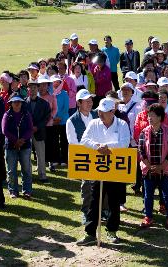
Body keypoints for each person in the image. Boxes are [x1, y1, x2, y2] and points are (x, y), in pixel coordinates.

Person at [77, 98, 130, 246]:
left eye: (104, 112)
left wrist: (107, 146)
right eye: (99, 111)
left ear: (112, 111)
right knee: (94, 200)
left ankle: (112, 231)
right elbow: (84, 140)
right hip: (97, 168)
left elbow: (124, 143)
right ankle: (90, 233)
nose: (100, 113)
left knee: (114, 201)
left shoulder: (122, 124)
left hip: (115, 170)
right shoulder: (94, 123)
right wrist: (97, 146)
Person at [138, 103, 168, 229]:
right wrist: (148, 165)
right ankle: (148, 217)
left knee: (167, 195)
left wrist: (162, 166)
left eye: (153, 116)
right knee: (148, 195)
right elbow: (141, 150)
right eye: (149, 115)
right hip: (148, 170)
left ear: (160, 117)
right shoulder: (144, 132)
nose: (149, 118)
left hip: (165, 170)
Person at [66, 89, 97, 224]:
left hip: (99, 156)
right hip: (84, 157)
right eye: (87, 101)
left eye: (91, 100)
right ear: (79, 103)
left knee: (103, 185)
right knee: (87, 187)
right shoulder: (71, 121)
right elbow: (74, 143)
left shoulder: (97, 115)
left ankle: (104, 211)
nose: (90, 103)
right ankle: (86, 212)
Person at [2, 95, 33, 199]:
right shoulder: (7, 115)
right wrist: (15, 140)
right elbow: (4, 130)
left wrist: (22, 140)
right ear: (10, 103)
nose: (17, 104)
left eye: (19, 102)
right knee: (11, 170)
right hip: (10, 146)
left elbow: (30, 129)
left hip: (25, 145)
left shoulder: (26, 114)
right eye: (14, 102)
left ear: (21, 103)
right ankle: (13, 191)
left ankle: (27, 191)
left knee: (26, 169)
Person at [25, 80, 51, 183]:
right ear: (28, 89)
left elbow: (47, 117)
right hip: (27, 133)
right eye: (30, 88)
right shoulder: (23, 103)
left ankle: (42, 175)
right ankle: (28, 175)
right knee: (26, 155)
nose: (32, 89)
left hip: (39, 132)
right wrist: (29, 127)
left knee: (41, 154)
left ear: (38, 89)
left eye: (35, 88)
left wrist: (37, 127)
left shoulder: (44, 103)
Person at [51, 75, 70, 167]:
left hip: (63, 121)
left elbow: (66, 108)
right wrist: (53, 118)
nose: (56, 83)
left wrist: (59, 117)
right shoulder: (49, 94)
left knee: (63, 140)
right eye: (54, 82)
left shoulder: (64, 93)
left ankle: (64, 159)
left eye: (58, 81)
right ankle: (55, 159)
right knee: (54, 141)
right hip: (53, 121)